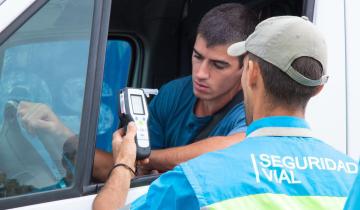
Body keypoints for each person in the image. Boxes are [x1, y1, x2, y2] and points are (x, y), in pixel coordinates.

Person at [93, 16, 358, 210]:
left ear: (250, 73)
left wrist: (125, 163)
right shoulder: (353, 176)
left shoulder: (197, 178)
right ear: (318, 89)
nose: (201, 73)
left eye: (219, 64)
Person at [92, 3, 258, 179]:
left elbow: (234, 148)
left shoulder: (254, 106)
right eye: (197, 57)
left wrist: (142, 157)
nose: (201, 74)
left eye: (218, 65)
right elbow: (137, 171)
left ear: (247, 67)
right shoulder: (173, 93)